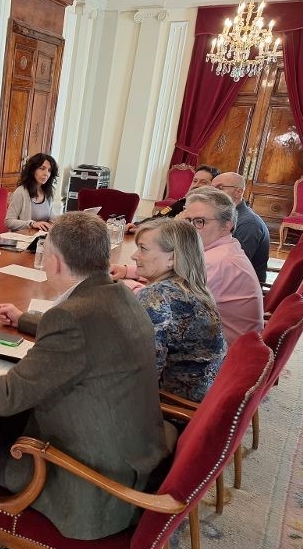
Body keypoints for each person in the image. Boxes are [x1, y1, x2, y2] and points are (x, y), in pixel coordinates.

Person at [0, 212, 172, 542]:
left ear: (57, 262)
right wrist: (27, 321)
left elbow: (7, 396)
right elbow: (89, 332)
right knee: (12, 422)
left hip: (94, 483)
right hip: (132, 453)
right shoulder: (118, 293)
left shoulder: (71, 319)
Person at [112, 187, 263, 345]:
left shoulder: (216, 262)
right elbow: (175, 274)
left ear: (226, 226)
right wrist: (128, 271)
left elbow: (162, 304)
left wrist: (129, 286)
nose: (190, 229)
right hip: (217, 341)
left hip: (222, 355)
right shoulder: (223, 248)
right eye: (188, 221)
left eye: (199, 222)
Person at [131, 219, 226, 402]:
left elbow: (142, 373)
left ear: (172, 258)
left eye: (143, 248)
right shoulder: (193, 289)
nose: (135, 256)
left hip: (175, 405)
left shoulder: (157, 296)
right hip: (207, 397)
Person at [212, 171, 270, 283]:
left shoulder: (248, 223)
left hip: (239, 287)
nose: (212, 193)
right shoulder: (225, 216)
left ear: (239, 192)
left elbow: (234, 266)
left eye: (220, 188)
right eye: (211, 188)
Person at [126, 165, 220, 233]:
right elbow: (159, 217)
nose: (196, 185)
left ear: (213, 187)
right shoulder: (182, 202)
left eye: (203, 182)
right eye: (195, 181)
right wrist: (138, 225)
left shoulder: (212, 210)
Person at [4, 153, 59, 231]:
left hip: (41, 238)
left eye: (49, 170)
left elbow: (52, 218)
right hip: (23, 239)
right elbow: (9, 221)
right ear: (33, 170)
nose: (46, 173)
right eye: (42, 168)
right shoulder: (21, 192)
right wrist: (32, 224)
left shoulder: (48, 192)